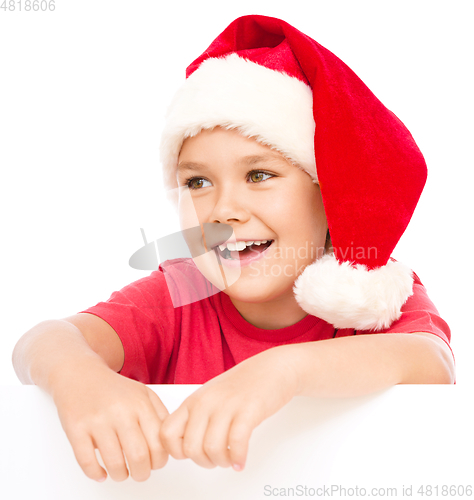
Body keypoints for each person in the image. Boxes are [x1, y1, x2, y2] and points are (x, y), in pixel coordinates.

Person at [12, 15, 455, 484]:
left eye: (259, 175)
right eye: (198, 181)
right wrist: (79, 377)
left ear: (328, 195)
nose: (223, 209)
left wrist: (285, 370)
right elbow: (40, 342)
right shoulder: (181, 292)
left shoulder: (372, 291)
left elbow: (433, 364)